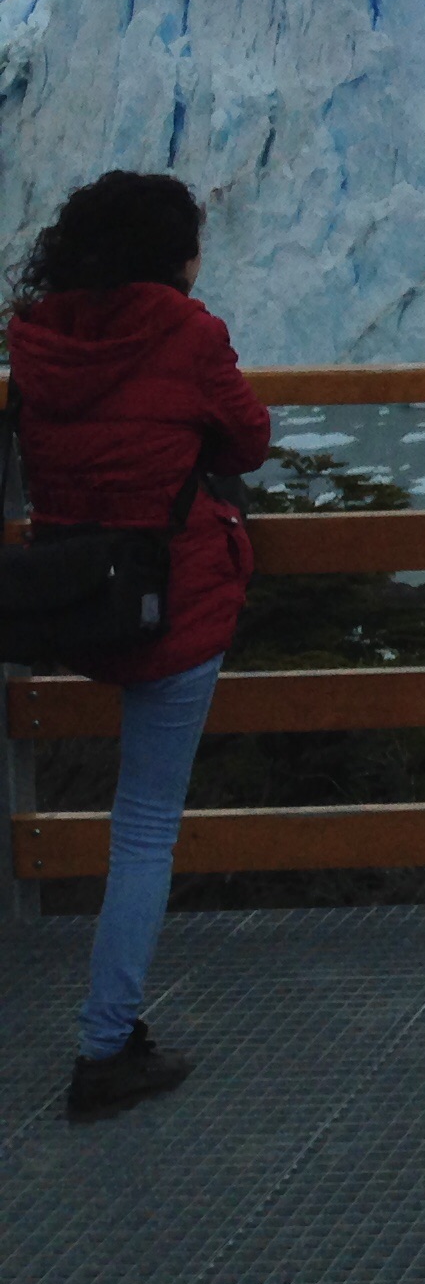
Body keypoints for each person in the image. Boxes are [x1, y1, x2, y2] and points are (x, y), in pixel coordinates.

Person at [7, 172, 269, 1123]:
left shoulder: (37, 338)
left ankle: (113, 1033)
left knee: (134, 820)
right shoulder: (188, 336)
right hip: (171, 607)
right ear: (173, 257)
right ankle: (105, 1044)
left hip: (80, 604)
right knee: (146, 827)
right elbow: (248, 441)